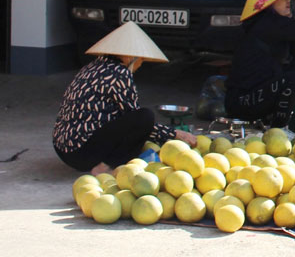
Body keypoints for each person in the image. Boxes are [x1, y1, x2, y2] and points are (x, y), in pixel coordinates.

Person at [53, 22, 198, 175]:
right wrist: (175, 134)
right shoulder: (119, 73)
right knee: (144, 117)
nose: (140, 65)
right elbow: (137, 120)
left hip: (63, 149)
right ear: (129, 56)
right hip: (82, 153)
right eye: (140, 59)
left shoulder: (92, 67)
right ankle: (108, 165)